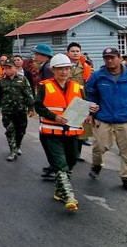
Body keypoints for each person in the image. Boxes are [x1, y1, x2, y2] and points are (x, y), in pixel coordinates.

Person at [35, 54, 99, 211]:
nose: (64, 72)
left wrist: (91, 110)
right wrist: (54, 116)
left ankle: (59, 190)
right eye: (60, 69)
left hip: (72, 132)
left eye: (67, 68)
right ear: (53, 70)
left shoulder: (78, 87)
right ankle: (69, 196)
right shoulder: (44, 86)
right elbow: (38, 107)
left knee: (71, 161)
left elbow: (84, 105)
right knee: (60, 164)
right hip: (51, 133)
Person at [85, 47, 127, 192]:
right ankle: (97, 165)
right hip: (104, 117)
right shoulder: (98, 76)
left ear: (119, 58)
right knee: (99, 147)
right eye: (106, 58)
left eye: (112, 57)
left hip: (125, 118)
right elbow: (91, 95)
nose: (109, 60)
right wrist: (90, 112)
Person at [0, 60, 34, 161]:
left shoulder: (22, 79)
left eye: (9, 67)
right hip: (7, 111)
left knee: (21, 130)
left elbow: (28, 94)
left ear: (15, 68)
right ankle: (13, 151)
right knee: (10, 130)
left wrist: (31, 108)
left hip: (21, 110)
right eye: (5, 68)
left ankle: (17, 146)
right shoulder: (1, 81)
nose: (7, 70)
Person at [32, 43, 58, 180]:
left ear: (44, 55)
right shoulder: (45, 67)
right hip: (48, 108)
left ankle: (55, 167)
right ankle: (53, 164)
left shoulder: (47, 69)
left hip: (50, 108)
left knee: (48, 138)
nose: (35, 56)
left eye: (37, 54)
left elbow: (49, 89)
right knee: (45, 137)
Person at [66, 42, 93, 161]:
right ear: (68, 53)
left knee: (80, 130)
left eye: (77, 51)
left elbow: (89, 86)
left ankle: (77, 154)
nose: (75, 53)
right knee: (66, 129)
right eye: (73, 51)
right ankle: (67, 153)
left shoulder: (85, 67)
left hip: (81, 101)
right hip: (66, 100)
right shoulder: (63, 66)